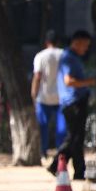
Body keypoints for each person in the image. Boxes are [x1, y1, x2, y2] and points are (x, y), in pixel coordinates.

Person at [48, 30, 96, 180]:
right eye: (85, 45)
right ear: (77, 42)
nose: (86, 49)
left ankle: (77, 170)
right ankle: (58, 165)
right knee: (74, 138)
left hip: (75, 102)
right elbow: (69, 81)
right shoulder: (69, 58)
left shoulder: (73, 58)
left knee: (76, 138)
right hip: (73, 103)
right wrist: (92, 82)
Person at [31, 30, 66, 160]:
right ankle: (61, 152)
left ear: (46, 42)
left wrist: (34, 93)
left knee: (43, 126)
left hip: (43, 97)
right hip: (61, 97)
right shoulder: (64, 55)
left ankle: (43, 152)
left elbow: (37, 76)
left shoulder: (40, 56)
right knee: (61, 127)